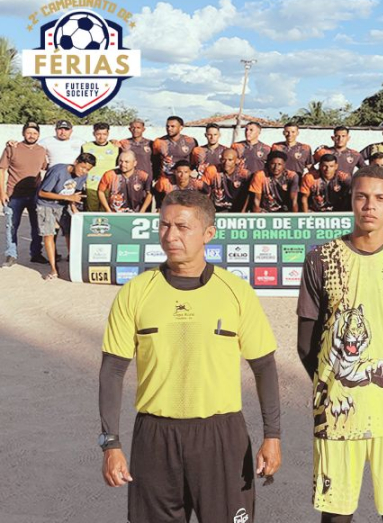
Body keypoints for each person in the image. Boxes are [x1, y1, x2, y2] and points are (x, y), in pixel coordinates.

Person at [99, 190, 282, 523]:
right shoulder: (136, 292)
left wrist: (273, 435)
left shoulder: (236, 292)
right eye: (164, 225)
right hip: (155, 437)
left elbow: (264, 367)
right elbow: (112, 371)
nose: (171, 236)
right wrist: (110, 443)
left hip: (221, 436)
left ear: (208, 234)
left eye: (182, 227)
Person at [296, 165, 383, 522]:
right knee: (337, 516)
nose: (369, 206)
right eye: (361, 197)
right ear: (351, 202)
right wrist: (335, 381)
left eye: (379, 198)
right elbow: (305, 345)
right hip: (338, 413)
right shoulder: (321, 259)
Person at [36, 152, 94, 279]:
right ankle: (53, 269)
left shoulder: (83, 175)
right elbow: (42, 193)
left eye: (87, 169)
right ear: (75, 162)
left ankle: (73, 262)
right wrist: (67, 197)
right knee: (49, 234)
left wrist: (73, 207)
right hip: (46, 205)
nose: (84, 171)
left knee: (70, 233)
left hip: (64, 204)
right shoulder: (57, 171)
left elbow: (76, 192)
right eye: (82, 167)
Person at [1, 121, 49, 266]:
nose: (31, 135)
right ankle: (11, 254)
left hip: (35, 195)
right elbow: (1, 170)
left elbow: (46, 168)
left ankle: (36, 254)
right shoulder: (12, 148)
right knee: (12, 225)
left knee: (37, 226)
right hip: (14, 195)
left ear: (39, 135)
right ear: (23, 133)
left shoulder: (41, 150)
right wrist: (2, 193)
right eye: (29, 132)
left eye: (35, 133)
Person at [81, 122, 120, 211]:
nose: (101, 137)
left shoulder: (115, 147)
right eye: (98, 134)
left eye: (104, 134)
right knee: (91, 213)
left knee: (106, 211)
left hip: (108, 187)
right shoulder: (86, 147)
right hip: (91, 186)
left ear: (108, 134)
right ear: (93, 133)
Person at [152, 115, 198, 182]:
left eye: (173, 126)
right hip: (166, 179)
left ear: (181, 127)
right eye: (167, 126)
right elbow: (154, 162)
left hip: (184, 180)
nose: (169, 128)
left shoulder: (191, 141)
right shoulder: (159, 142)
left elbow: (195, 161)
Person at [204, 148, 251, 213]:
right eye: (224, 159)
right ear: (220, 160)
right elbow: (204, 191)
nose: (226, 163)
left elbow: (249, 195)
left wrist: (243, 211)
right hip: (217, 209)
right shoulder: (212, 171)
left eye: (230, 160)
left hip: (237, 210)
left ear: (237, 160)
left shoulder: (244, 175)